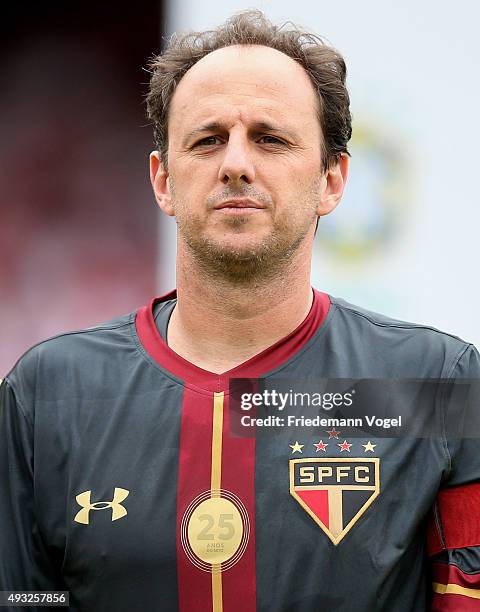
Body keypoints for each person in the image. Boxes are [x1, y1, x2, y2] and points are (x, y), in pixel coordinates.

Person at [1, 10, 479, 612]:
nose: (235, 163)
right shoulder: (47, 392)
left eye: (270, 138)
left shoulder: (435, 384)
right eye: (207, 140)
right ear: (162, 181)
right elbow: (23, 600)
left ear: (333, 180)